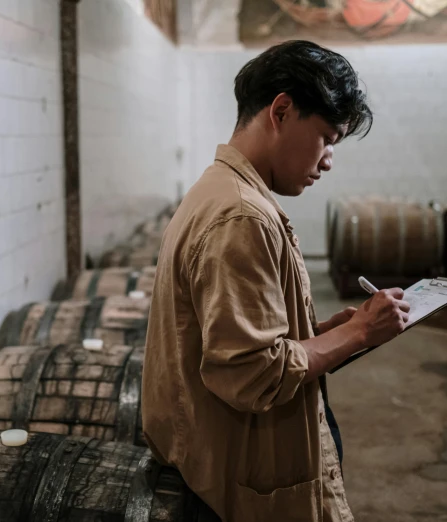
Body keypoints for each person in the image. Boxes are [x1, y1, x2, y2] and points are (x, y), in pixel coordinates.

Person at [141, 40, 411, 522]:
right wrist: (358, 333)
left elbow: (242, 335)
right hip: (233, 486)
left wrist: (331, 330)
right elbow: (252, 373)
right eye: (327, 138)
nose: (329, 160)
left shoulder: (223, 190)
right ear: (282, 111)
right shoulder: (240, 215)